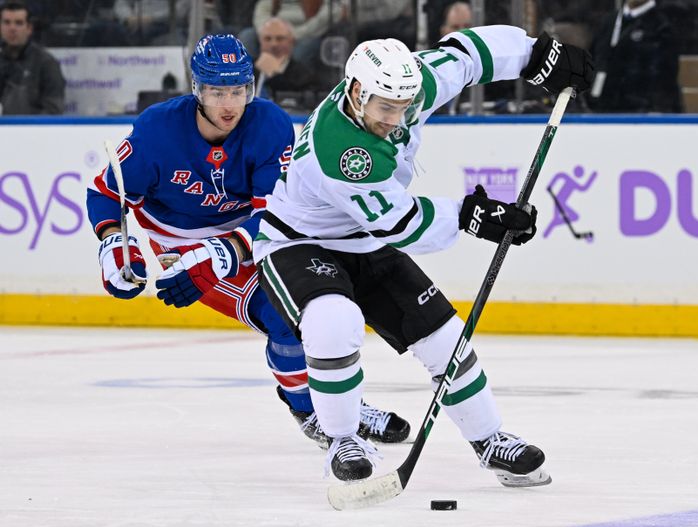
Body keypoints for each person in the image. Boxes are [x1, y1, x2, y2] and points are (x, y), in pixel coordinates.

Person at [253, 27, 593, 482]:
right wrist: (473, 216)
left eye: (403, 107)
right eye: (385, 108)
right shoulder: (340, 152)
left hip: (365, 239)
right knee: (333, 322)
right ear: (356, 92)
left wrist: (536, 53)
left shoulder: (410, 84)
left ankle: (490, 440)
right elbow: (400, 223)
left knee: (444, 339)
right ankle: (344, 439)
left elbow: (466, 55)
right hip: (298, 243)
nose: (396, 117)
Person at [85, 34, 410, 450]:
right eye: (217, 91)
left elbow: (271, 213)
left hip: (256, 233)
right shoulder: (157, 130)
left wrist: (230, 249)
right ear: (197, 89)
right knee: (283, 317)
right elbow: (106, 193)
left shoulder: (269, 125)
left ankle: (340, 406)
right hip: (183, 243)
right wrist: (113, 240)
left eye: (238, 90)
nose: (229, 105)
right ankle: (312, 413)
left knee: (322, 310)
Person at [588, 0, 683, 113]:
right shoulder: (608, 22)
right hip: (602, 111)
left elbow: (665, 79)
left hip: (644, 114)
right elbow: (594, 62)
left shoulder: (663, 25)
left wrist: (657, 110)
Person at [0, 1, 65, 115]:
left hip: (33, 130)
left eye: (18, 23)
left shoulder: (46, 63)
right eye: (7, 22)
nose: (12, 28)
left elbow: (53, 111)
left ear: (29, 28)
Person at [253, 17, 316, 100]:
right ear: (260, 42)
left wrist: (274, 75)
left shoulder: (304, 75)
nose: (273, 44)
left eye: (280, 39)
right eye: (267, 39)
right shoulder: (246, 69)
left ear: (291, 42)